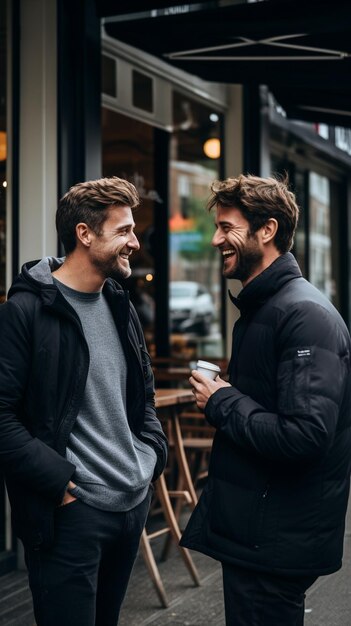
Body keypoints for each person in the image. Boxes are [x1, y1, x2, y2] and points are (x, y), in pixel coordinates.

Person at [180, 174, 351, 625]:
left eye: (227, 226)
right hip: (262, 532)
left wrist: (221, 401)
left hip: (275, 539)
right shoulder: (267, 308)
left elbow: (304, 435)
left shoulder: (303, 315)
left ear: (267, 230)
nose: (217, 239)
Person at [0, 176, 168, 626]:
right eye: (124, 231)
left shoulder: (119, 303)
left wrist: (150, 458)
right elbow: (2, 418)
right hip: (71, 515)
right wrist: (60, 485)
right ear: (84, 234)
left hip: (131, 506)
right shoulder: (26, 311)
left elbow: (143, 396)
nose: (134, 242)